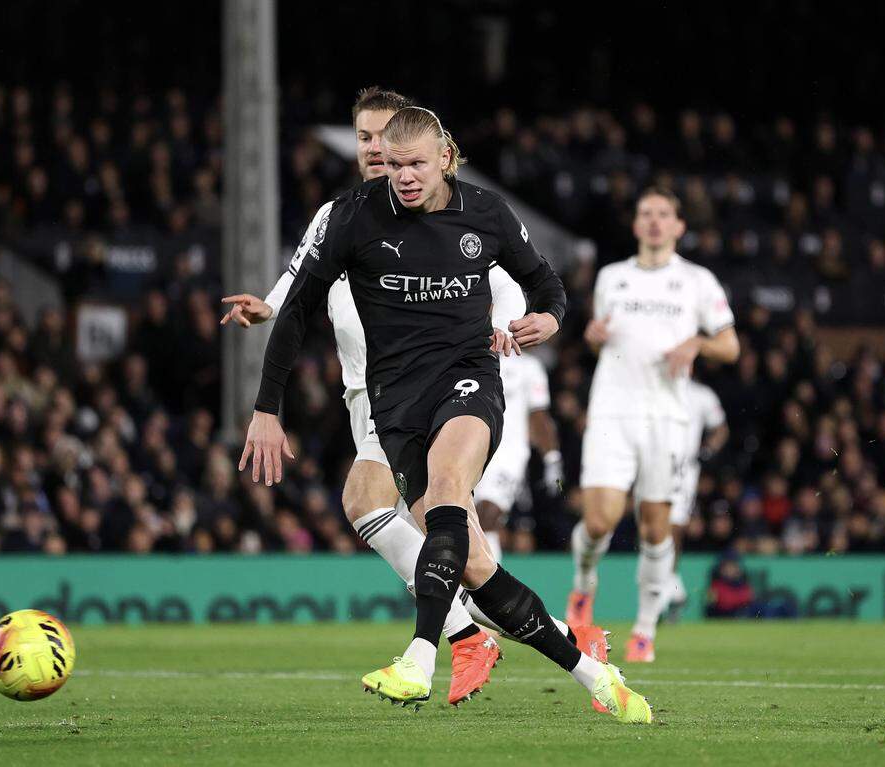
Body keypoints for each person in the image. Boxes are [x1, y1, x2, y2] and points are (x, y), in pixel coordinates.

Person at [238, 105, 650, 722]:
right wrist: (267, 408)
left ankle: (420, 655)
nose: (402, 176)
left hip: (467, 383)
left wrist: (549, 318)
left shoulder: (484, 214)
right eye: (394, 164)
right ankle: (593, 671)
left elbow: (546, 284)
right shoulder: (355, 216)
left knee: (450, 492)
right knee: (475, 565)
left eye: (415, 164)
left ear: (446, 159)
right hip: (395, 402)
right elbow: (297, 309)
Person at [568, 186, 740, 663]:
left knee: (656, 526)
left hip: (666, 416)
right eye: (646, 213)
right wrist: (593, 336)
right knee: (599, 520)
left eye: (664, 214)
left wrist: (697, 345)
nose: (655, 221)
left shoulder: (697, 282)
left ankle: (644, 629)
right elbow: (600, 341)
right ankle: (584, 587)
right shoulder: (612, 278)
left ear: (680, 226)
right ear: (636, 224)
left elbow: (730, 346)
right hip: (612, 409)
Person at [472, 349, 564, 563]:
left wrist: (552, 457)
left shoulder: (529, 367)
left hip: (507, 454)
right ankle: (463, 585)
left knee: (488, 515)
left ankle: (484, 589)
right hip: (469, 448)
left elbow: (539, 415)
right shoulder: (472, 353)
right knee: (466, 518)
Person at [662, 378, 728, 619]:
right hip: (652, 464)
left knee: (674, 526)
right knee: (652, 528)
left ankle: (667, 590)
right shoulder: (655, 387)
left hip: (683, 469)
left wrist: (707, 451)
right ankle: (671, 586)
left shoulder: (702, 394)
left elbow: (721, 428)